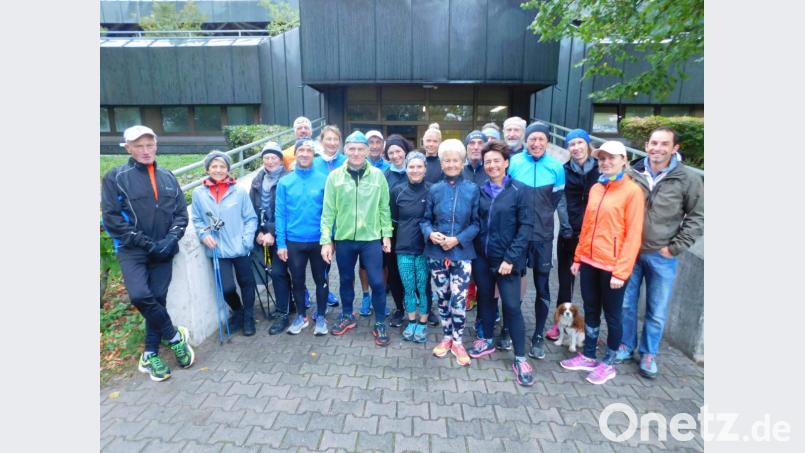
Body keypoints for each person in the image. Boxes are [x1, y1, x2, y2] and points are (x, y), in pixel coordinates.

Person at [101, 125, 195, 382]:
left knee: (158, 299)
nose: (145, 150)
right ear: (128, 148)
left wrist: (170, 239)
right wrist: (146, 243)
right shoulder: (116, 177)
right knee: (141, 296)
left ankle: (150, 354)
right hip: (133, 250)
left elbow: (181, 214)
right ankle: (174, 336)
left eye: (149, 145)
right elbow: (112, 219)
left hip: (164, 249)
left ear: (156, 146)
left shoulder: (167, 176)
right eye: (139, 146)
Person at [614, 127, 704, 378]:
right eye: (654, 143)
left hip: (662, 254)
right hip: (630, 253)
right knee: (626, 304)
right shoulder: (631, 173)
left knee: (657, 309)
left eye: (664, 144)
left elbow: (697, 216)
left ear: (675, 148)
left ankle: (648, 353)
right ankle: (626, 345)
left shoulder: (687, 178)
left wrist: (675, 247)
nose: (658, 148)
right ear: (646, 146)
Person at [559, 140, 644, 385]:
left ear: (624, 160)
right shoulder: (597, 187)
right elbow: (587, 227)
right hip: (590, 262)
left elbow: (633, 235)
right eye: (602, 158)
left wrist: (621, 272)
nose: (605, 163)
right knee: (592, 310)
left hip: (613, 267)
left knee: (613, 316)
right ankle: (588, 355)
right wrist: (578, 258)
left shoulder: (632, 192)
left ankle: (609, 363)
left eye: (611, 158)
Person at [467, 141, 535, 386]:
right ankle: (486, 339)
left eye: (497, 161)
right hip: (482, 258)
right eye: (488, 162)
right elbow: (475, 222)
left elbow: (526, 228)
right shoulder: (480, 190)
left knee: (512, 306)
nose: (492, 165)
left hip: (507, 261)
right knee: (485, 299)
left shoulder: (520, 190)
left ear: (506, 162)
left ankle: (520, 358)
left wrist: (510, 259)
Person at [320, 131, 394, 346]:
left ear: (367, 151)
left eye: (360, 149)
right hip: (344, 239)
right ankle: (347, 315)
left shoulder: (378, 176)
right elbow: (328, 212)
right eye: (352, 149)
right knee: (345, 279)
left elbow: (384, 208)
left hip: (371, 238)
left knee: (377, 281)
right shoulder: (334, 177)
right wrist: (326, 240)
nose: (356, 153)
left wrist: (386, 235)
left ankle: (380, 322)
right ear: (345, 150)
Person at [508, 122, 570, 360]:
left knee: (542, 287)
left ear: (547, 142)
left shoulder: (556, 167)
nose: (536, 143)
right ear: (526, 140)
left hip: (543, 236)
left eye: (541, 139)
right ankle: (508, 329)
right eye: (532, 139)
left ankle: (537, 336)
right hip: (518, 235)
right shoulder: (514, 162)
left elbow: (554, 201)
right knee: (513, 285)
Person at [421, 139, 480, 366]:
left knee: (458, 299)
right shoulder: (434, 189)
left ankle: (458, 340)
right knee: (443, 298)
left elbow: (477, 223)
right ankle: (446, 337)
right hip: (437, 254)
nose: (451, 164)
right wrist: (430, 234)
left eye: (455, 160)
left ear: (462, 162)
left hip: (462, 253)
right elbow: (425, 220)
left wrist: (457, 239)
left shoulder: (472, 189)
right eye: (447, 161)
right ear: (442, 163)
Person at [191, 151, 259, 337]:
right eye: (214, 166)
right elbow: (197, 219)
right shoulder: (199, 193)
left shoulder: (239, 191)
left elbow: (251, 218)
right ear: (208, 169)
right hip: (218, 250)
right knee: (227, 287)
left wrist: (246, 240)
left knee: (247, 283)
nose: (218, 170)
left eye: (222, 166)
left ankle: (248, 317)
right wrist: (204, 234)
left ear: (228, 169)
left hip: (240, 247)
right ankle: (238, 311)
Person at [545, 129, 600, 341]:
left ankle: (591, 328)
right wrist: (566, 228)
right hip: (569, 233)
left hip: (595, 236)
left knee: (592, 285)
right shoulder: (564, 170)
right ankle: (560, 326)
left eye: (580, 143)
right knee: (565, 282)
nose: (576, 148)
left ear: (587, 144)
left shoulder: (600, 168)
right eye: (572, 144)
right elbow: (560, 200)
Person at [275, 138, 331, 335]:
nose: (305, 154)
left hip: (319, 240)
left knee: (321, 280)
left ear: (313, 155)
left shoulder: (325, 179)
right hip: (294, 241)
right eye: (301, 150)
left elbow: (330, 212)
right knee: (297, 281)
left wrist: (329, 240)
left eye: (309, 150)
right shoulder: (285, 182)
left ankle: (321, 317)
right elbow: (280, 214)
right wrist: (281, 243)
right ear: (295, 154)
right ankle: (301, 316)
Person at [249, 142, 294, 335]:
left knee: (281, 272)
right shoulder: (257, 180)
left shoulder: (289, 178)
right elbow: (250, 209)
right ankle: (286, 306)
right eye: (266, 157)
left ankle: (284, 311)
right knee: (273, 271)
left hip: (284, 236)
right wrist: (257, 233)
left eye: (273, 157)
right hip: (265, 239)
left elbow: (288, 211)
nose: (270, 161)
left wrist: (271, 232)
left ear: (280, 160)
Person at [392, 152, 431, 343]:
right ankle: (412, 321)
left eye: (419, 167)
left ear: (425, 169)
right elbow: (392, 220)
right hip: (404, 249)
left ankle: (423, 323)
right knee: (408, 288)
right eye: (411, 167)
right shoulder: (397, 191)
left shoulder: (433, 190)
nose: (415, 170)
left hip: (425, 250)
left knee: (422, 288)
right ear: (406, 169)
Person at [311, 125, 345, 309]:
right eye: (328, 139)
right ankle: (323, 298)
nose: (332, 143)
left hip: (345, 224)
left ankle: (347, 304)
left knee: (345, 267)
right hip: (323, 223)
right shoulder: (313, 163)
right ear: (321, 141)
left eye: (335, 139)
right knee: (324, 265)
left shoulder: (347, 161)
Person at [382, 134, 413, 327]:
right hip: (392, 232)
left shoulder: (415, 170)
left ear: (405, 151)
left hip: (414, 232)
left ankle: (424, 308)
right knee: (394, 272)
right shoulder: (384, 176)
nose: (395, 156)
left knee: (419, 272)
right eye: (391, 152)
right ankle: (399, 308)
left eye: (398, 151)